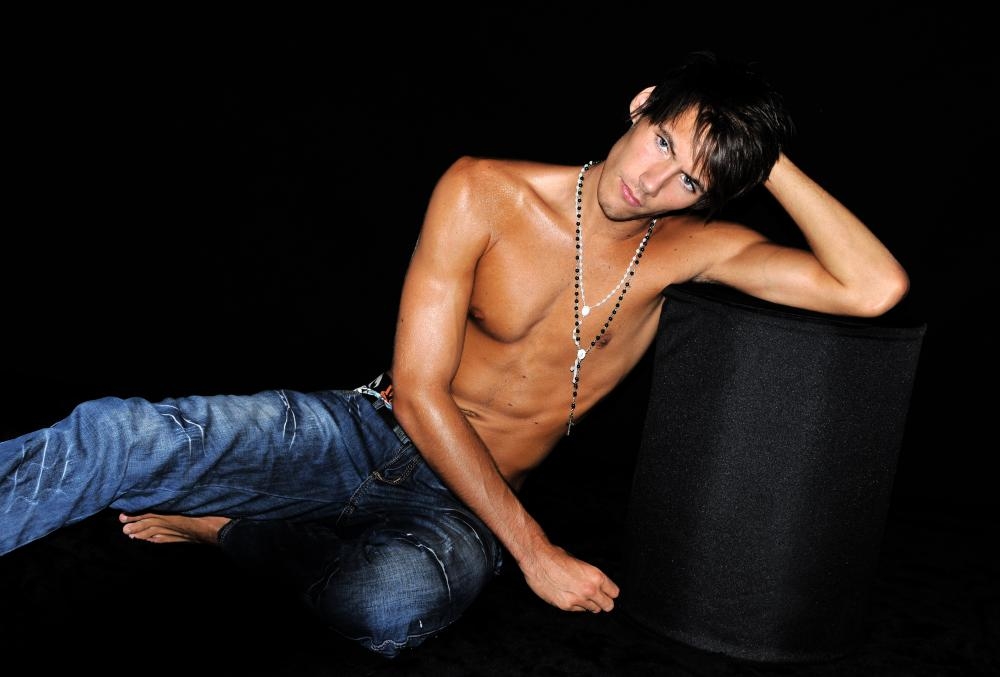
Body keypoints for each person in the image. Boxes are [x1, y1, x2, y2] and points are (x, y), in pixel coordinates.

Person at [0, 51, 909, 658]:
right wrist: (538, 554)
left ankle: (228, 529)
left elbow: (874, 286)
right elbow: (421, 391)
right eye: (664, 138)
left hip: (476, 497)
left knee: (389, 606)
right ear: (641, 106)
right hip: (370, 431)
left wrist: (757, 154)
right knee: (123, 433)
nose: (654, 178)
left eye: (691, 176)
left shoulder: (693, 250)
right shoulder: (484, 191)